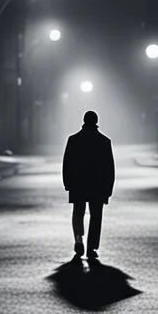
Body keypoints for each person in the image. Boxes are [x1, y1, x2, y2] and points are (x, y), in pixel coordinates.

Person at [62, 109, 115, 260]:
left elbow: (67, 164)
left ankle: (78, 238)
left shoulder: (73, 140)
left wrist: (67, 183)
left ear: (84, 121)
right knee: (96, 216)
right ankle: (91, 247)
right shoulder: (105, 142)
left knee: (78, 213)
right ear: (96, 122)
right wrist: (108, 188)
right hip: (98, 185)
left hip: (78, 183)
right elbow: (109, 168)